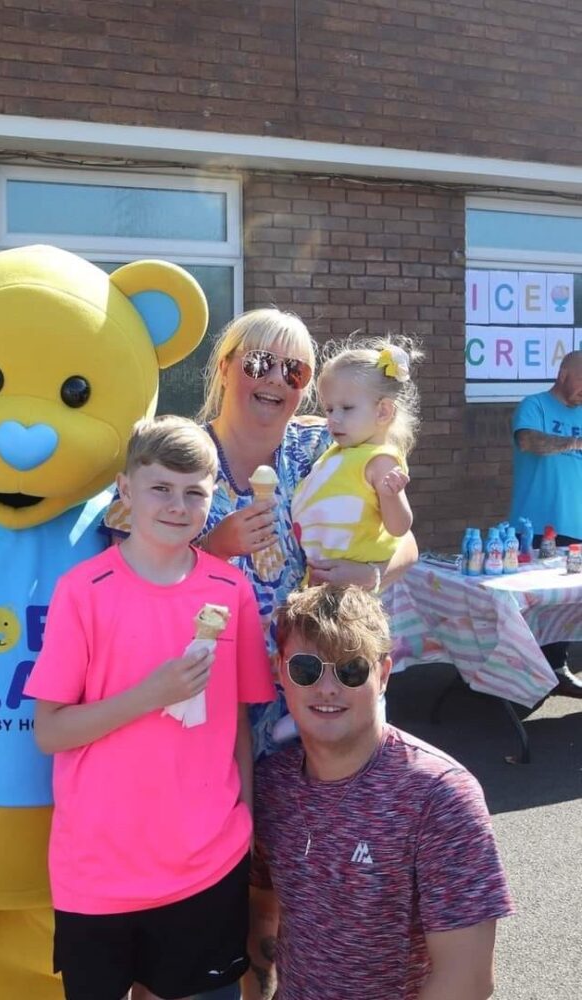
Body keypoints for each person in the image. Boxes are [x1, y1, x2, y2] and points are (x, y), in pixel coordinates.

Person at [25, 416, 276, 1000]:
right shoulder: (82, 590)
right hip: (100, 870)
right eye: (161, 487)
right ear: (126, 489)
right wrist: (149, 696)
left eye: (195, 493)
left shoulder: (229, 590)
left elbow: (236, 719)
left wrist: (244, 817)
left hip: (208, 860)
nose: (177, 505)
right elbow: (51, 732)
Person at [244, 584, 514, 1000]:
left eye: (351, 669)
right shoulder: (272, 784)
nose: (328, 687)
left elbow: (468, 980)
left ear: (383, 674)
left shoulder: (440, 797)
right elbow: (263, 914)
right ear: (282, 673)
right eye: (306, 669)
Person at [193, 308, 418, 759]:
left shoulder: (326, 448)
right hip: (214, 680)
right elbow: (134, 559)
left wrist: (367, 574)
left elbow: (407, 543)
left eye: (293, 371)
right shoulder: (185, 455)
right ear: (224, 367)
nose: (276, 379)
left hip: (318, 683)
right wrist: (214, 548)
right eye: (259, 363)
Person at [292, 338, 420, 574]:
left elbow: (399, 528)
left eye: (347, 408)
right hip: (322, 577)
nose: (333, 419)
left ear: (383, 411)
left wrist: (391, 495)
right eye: (329, 409)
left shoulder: (380, 460)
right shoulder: (339, 452)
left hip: (349, 588)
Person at [510, 349, 582, 697]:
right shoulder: (534, 404)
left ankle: (558, 670)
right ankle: (520, 674)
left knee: (567, 604)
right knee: (531, 601)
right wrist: (575, 442)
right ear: (564, 375)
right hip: (535, 525)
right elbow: (528, 441)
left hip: (577, 526)